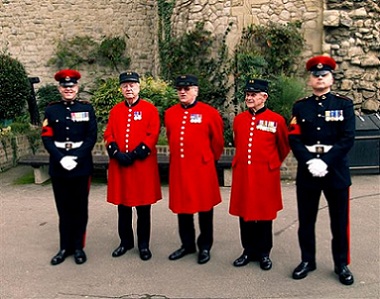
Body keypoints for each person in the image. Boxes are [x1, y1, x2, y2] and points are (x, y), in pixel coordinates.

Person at [288, 55, 355, 285]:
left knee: (339, 221)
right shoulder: (300, 106)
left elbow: (347, 138)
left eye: (324, 75)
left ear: (331, 79)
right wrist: (309, 161)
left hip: (335, 170)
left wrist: (325, 161)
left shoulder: (343, 104)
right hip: (308, 172)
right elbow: (294, 138)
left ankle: (341, 264)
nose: (319, 78)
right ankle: (307, 260)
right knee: (306, 220)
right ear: (310, 80)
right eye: (315, 76)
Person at [229, 79, 290, 271]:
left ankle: (264, 253)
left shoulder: (276, 120)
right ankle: (248, 251)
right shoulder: (239, 120)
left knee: (264, 215)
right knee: (245, 214)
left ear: (264, 97)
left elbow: (283, 147)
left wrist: (271, 164)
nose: (249, 97)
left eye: (253, 94)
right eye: (247, 94)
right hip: (244, 174)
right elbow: (238, 142)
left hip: (265, 175)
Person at [164, 74, 224, 264]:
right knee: (183, 209)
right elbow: (171, 136)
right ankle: (187, 245)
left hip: (202, 169)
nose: (182, 92)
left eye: (187, 88)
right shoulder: (170, 113)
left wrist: (207, 160)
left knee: (205, 209)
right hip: (180, 169)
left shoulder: (210, 113)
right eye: (180, 89)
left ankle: (205, 246)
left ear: (196, 91)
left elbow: (218, 143)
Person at [41, 69, 97, 265]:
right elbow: (46, 137)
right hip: (59, 166)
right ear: (60, 88)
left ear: (77, 88)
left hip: (81, 166)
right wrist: (60, 158)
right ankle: (65, 247)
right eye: (65, 87)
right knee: (63, 210)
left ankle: (79, 247)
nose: (69, 89)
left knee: (80, 209)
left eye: (72, 86)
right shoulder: (51, 110)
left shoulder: (86, 109)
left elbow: (91, 138)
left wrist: (75, 158)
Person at [104, 71, 162, 261]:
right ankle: (125, 242)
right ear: (121, 89)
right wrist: (116, 153)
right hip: (120, 166)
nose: (129, 88)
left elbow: (152, 134)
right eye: (125, 85)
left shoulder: (149, 109)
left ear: (139, 87)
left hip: (141, 167)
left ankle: (143, 245)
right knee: (123, 208)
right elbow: (109, 134)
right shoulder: (115, 111)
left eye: (132, 85)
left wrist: (136, 153)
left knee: (143, 209)